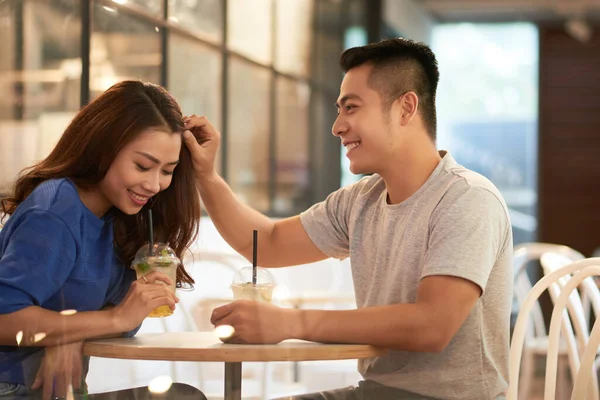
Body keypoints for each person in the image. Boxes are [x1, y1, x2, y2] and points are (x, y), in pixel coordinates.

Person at [182, 38, 513, 400]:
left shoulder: (466, 198)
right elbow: (268, 242)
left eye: (351, 108)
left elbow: (431, 326)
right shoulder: (360, 200)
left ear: (406, 108)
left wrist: (291, 323)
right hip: (375, 392)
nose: (337, 126)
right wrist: (206, 176)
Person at [0, 81, 206, 400]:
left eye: (167, 171)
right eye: (142, 165)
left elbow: (114, 322)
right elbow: (4, 318)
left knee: (184, 395)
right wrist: (110, 318)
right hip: (14, 390)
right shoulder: (56, 211)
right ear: (102, 148)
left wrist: (69, 334)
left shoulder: (117, 218)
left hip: (58, 392)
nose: (154, 184)